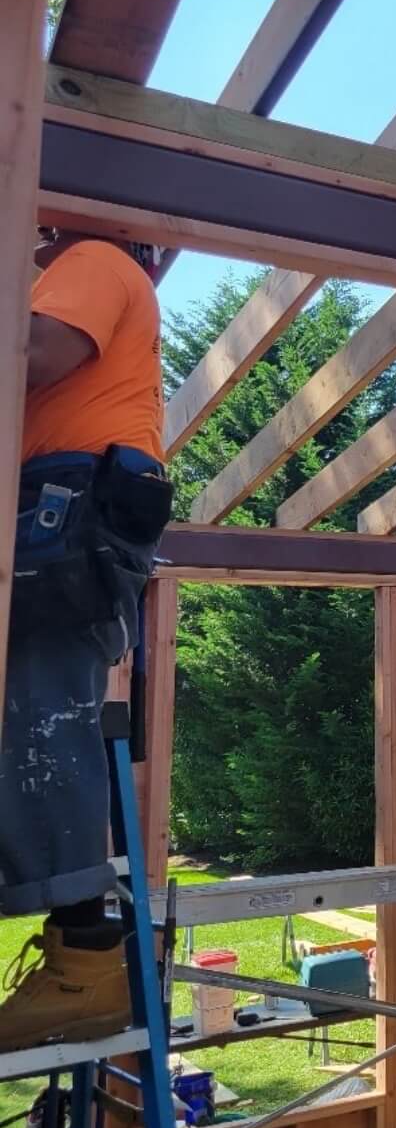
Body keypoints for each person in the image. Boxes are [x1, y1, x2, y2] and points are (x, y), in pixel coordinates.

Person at [0, 230, 171, 1051]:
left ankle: (84, 956)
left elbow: (34, 349)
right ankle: (80, 950)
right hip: (62, 508)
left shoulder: (96, 258)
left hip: (69, 510)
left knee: (41, 713)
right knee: (36, 709)